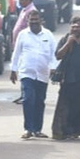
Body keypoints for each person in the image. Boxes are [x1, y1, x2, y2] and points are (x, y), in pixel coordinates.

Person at [9, 9, 57, 139]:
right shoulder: (23, 35)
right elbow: (17, 53)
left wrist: (53, 68)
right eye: (31, 20)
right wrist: (13, 70)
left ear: (41, 21)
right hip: (27, 73)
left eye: (36, 20)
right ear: (27, 21)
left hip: (43, 74)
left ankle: (37, 129)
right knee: (28, 99)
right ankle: (28, 129)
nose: (34, 22)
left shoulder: (48, 35)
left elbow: (54, 54)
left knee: (39, 101)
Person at [11, 0, 37, 104]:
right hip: (20, 45)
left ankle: (26, 95)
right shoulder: (24, 10)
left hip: (26, 47)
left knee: (25, 72)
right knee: (22, 71)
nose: (19, 1)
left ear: (28, 0)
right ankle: (23, 94)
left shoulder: (31, 12)